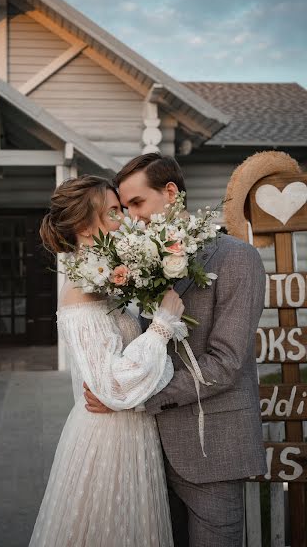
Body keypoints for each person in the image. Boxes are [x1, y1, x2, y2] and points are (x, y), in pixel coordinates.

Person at [84, 153, 267, 547]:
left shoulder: (237, 258)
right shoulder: (142, 259)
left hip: (211, 447)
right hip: (149, 452)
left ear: (170, 193)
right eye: (125, 207)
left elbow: (225, 362)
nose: (132, 217)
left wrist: (133, 398)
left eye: (137, 203)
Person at [29, 174, 185, 547]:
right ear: (85, 226)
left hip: (131, 429)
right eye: (114, 211)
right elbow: (112, 384)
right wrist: (162, 325)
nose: (125, 219)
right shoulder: (79, 294)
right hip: (108, 438)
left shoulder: (104, 285)